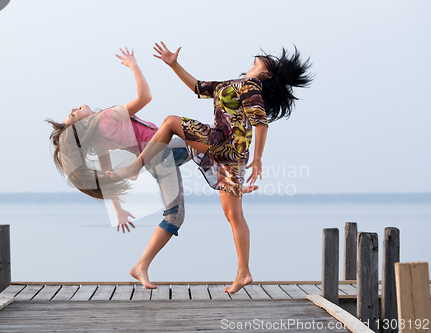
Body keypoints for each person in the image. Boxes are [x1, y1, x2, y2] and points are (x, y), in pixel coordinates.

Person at [46, 47, 259, 289]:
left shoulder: (98, 136)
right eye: (73, 117)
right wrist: (134, 65)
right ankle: (231, 182)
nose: (73, 110)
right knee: (201, 147)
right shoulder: (104, 118)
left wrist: (117, 208)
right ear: (83, 124)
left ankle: (141, 266)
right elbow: (144, 97)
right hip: (163, 154)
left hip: (158, 160)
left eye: (71, 112)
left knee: (176, 212)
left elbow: (106, 174)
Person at [108, 42, 313, 293]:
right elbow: (197, 87)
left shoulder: (250, 86)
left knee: (171, 122)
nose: (264, 55)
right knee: (233, 215)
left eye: (270, 60)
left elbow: (261, 123)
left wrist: (258, 160)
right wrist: (174, 64)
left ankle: (135, 167)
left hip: (223, 143)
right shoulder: (232, 85)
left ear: (267, 73)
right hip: (234, 154)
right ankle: (243, 273)